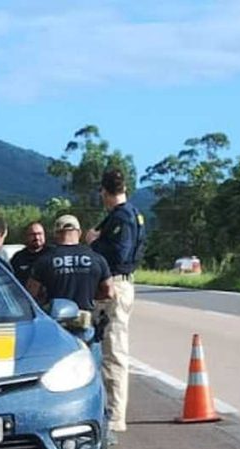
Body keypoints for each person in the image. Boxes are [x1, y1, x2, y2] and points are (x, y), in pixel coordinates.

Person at [86, 168, 146, 434]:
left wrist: (94, 243)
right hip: (120, 283)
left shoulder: (122, 219)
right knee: (108, 348)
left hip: (117, 285)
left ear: (105, 192)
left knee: (114, 350)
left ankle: (115, 415)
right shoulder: (132, 214)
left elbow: (119, 253)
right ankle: (110, 409)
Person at [27, 215, 114, 312]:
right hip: (85, 318)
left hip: (56, 319)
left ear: (56, 234)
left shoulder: (44, 261)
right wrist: (90, 295)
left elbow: (31, 293)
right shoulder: (97, 259)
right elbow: (109, 292)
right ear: (79, 233)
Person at [10, 221, 48, 287]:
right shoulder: (18, 258)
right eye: (33, 234)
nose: (37, 238)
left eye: (40, 234)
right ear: (26, 236)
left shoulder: (52, 254)